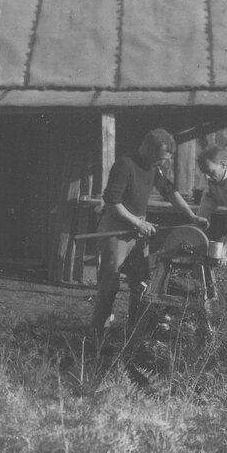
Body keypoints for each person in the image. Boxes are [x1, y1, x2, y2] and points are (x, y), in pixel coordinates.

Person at [90, 129, 208, 339]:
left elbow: (170, 191)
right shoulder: (124, 165)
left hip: (138, 229)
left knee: (142, 284)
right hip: (116, 230)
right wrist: (137, 222)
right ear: (148, 149)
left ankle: (135, 334)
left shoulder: (153, 167)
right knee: (110, 285)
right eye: (160, 158)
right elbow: (112, 203)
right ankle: (98, 335)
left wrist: (192, 216)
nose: (161, 163)